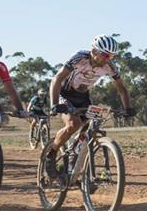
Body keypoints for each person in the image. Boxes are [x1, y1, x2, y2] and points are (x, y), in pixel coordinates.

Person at [43, 35, 135, 174]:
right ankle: (52, 153)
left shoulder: (109, 67)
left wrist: (127, 108)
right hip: (65, 95)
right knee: (73, 124)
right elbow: (57, 78)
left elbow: (121, 89)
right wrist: (55, 104)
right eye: (105, 55)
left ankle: (74, 162)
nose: (107, 59)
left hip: (83, 97)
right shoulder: (80, 58)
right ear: (94, 51)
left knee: (89, 128)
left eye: (111, 57)